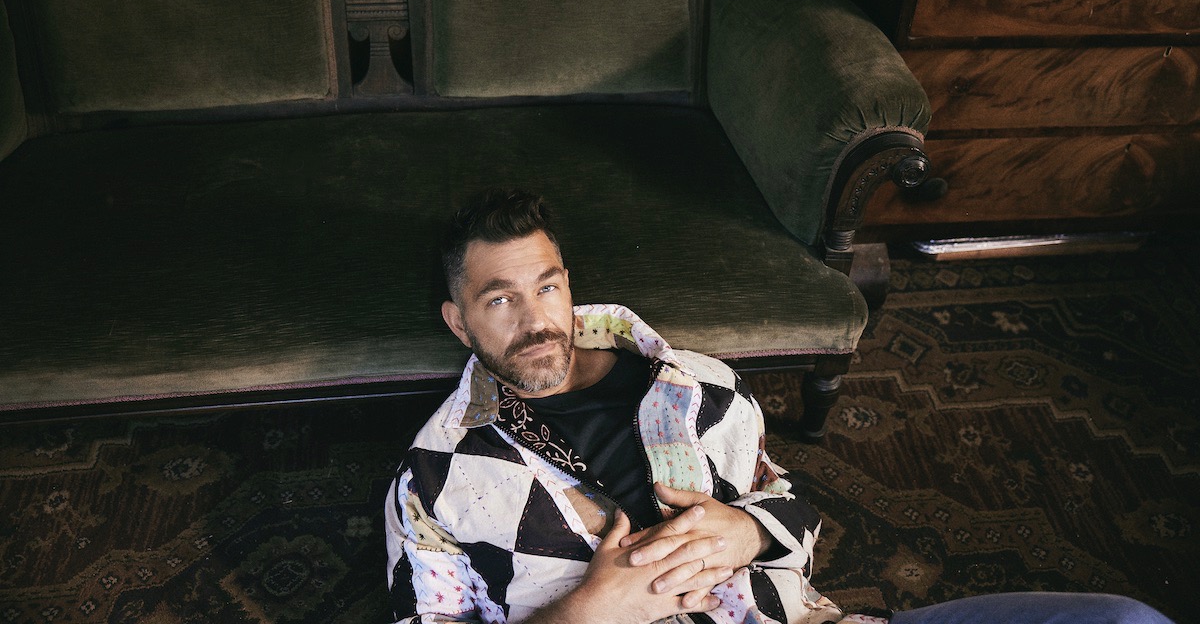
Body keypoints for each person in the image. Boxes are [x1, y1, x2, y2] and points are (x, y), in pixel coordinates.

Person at [385, 190, 1174, 624]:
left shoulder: (699, 383)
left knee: (1125, 621)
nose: (536, 320)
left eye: (548, 286)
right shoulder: (431, 480)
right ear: (459, 322)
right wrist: (589, 612)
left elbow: (790, 503)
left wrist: (748, 529)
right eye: (500, 300)